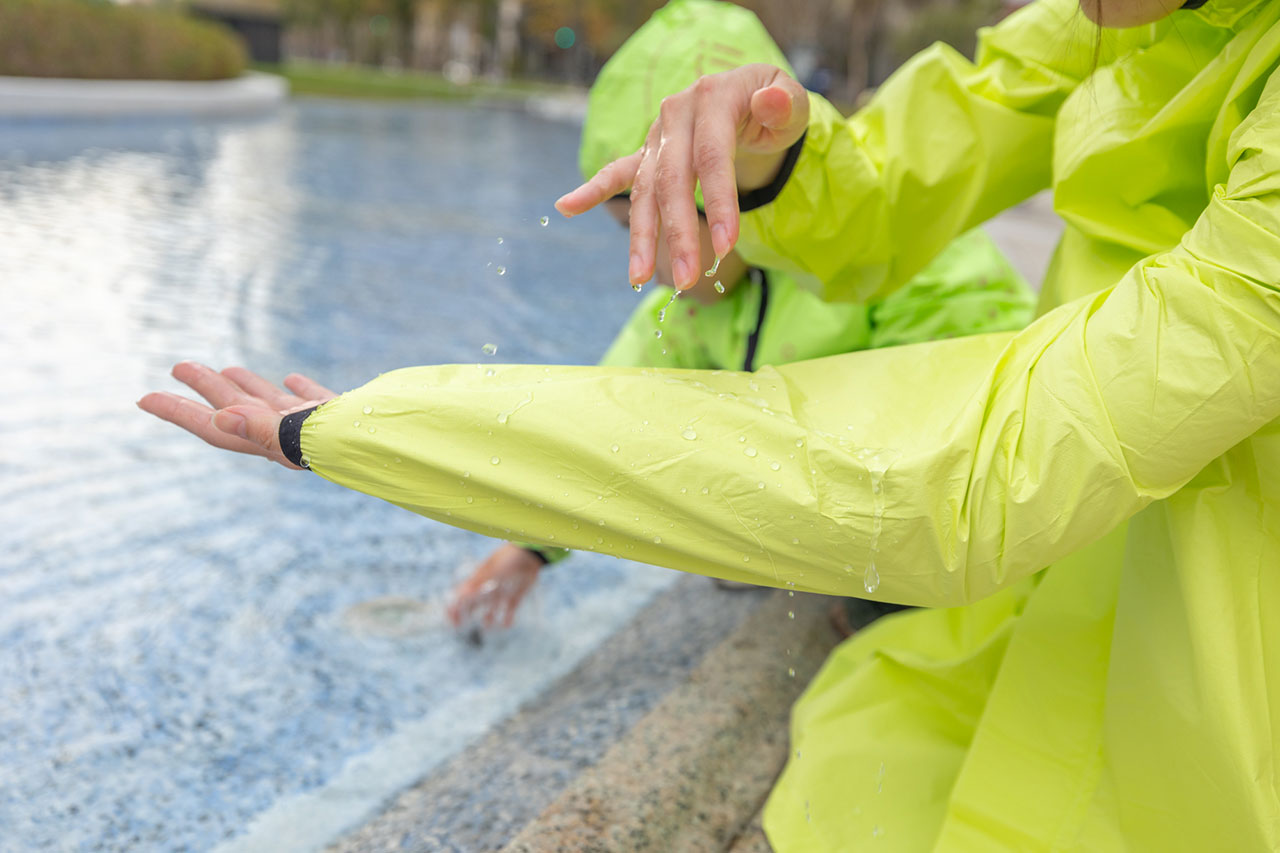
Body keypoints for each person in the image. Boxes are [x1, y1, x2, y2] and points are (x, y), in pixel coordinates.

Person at [138, 0, 1280, 846]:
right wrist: (780, 157)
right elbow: (903, 164)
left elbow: (972, 471)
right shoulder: (1107, 27)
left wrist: (384, 430)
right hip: (1075, 588)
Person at [446, 0, 1035, 632]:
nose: (645, 265)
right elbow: (604, 427)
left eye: (664, 227)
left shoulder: (906, 262)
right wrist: (531, 547)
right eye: (631, 232)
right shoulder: (691, 313)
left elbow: (975, 411)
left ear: (736, 202)